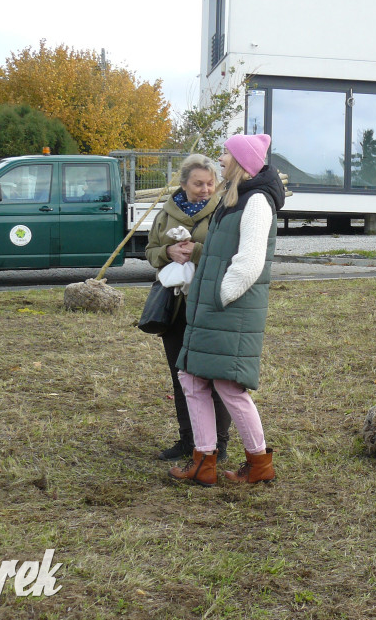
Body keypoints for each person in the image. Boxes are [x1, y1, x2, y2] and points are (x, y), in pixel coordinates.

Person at [169, 133, 287, 487]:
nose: (220, 159)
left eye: (226, 154)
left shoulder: (257, 202)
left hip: (228, 309)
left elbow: (249, 264)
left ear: (241, 162)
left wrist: (219, 297)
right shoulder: (235, 198)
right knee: (191, 377)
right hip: (214, 308)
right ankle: (204, 460)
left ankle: (259, 463)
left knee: (229, 385)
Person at [145, 154, 233, 462]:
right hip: (175, 308)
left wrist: (195, 252)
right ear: (183, 184)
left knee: (214, 376)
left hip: (209, 305)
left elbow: (229, 253)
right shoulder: (165, 213)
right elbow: (150, 251)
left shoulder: (224, 211)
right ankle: (188, 441)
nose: (205, 189)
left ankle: (219, 445)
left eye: (210, 183)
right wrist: (167, 251)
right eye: (198, 184)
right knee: (181, 376)